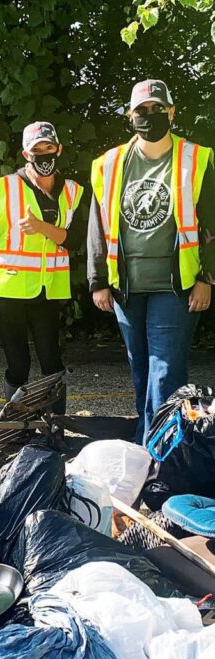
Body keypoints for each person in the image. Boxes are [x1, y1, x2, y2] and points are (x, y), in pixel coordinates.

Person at [88, 79, 215, 443]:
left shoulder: (196, 157)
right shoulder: (109, 164)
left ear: (172, 111)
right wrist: (97, 280)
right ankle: (156, 444)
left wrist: (207, 276)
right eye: (142, 111)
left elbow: (211, 221)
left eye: (158, 109)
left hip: (175, 285)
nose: (150, 116)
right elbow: (98, 223)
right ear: (130, 116)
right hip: (127, 285)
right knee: (141, 372)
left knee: (165, 372)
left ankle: (159, 452)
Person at [0, 121, 86, 410]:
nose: (44, 155)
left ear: (59, 149)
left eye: (49, 148)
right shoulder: (5, 187)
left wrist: (41, 227)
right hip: (7, 292)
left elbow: (77, 240)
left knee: (51, 361)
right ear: (26, 154)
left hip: (48, 291)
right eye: (37, 150)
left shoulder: (73, 191)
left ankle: (56, 423)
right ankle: (15, 426)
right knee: (17, 364)